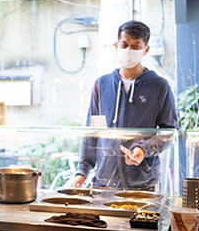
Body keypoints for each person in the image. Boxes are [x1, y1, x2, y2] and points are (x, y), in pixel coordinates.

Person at [72, 20, 178, 190]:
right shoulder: (102, 85)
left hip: (143, 184)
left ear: (146, 50)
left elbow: (169, 132)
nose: (129, 51)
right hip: (104, 182)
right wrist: (82, 170)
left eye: (136, 46)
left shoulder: (159, 86)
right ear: (116, 45)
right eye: (125, 44)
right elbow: (93, 131)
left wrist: (143, 149)